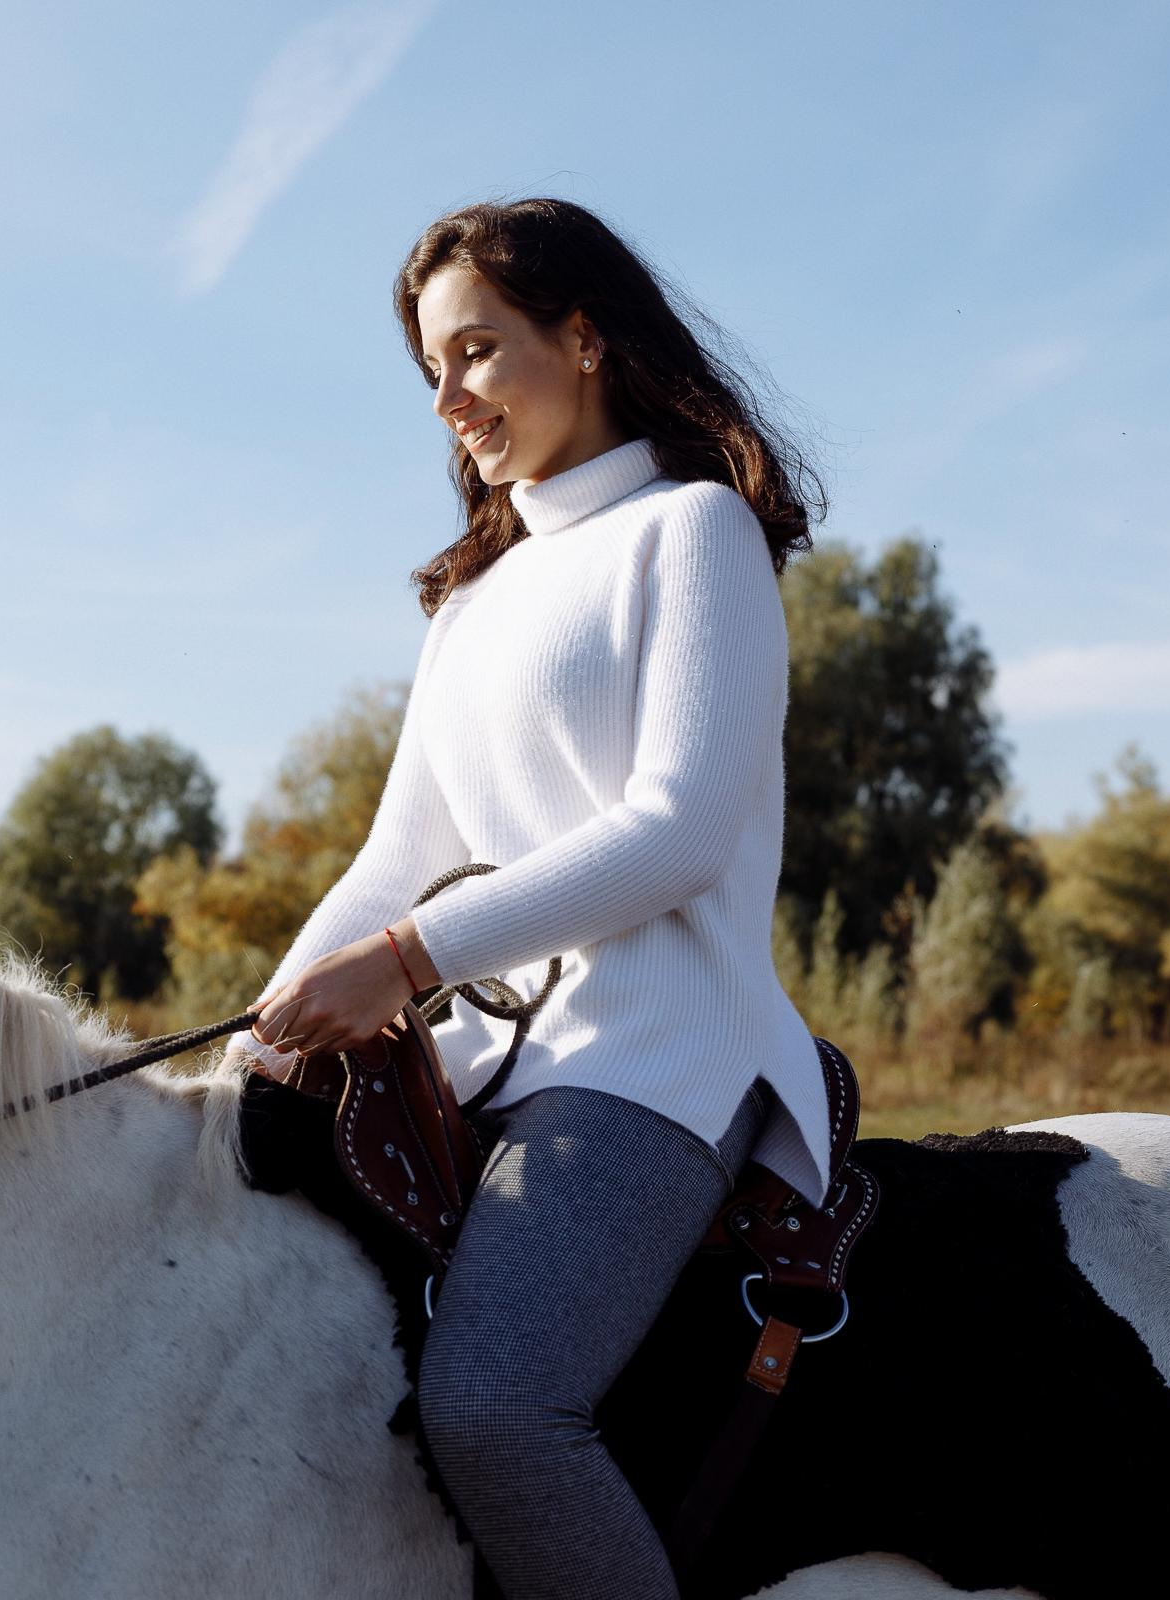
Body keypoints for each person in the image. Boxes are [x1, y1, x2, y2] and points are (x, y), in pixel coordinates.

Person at [224, 195, 833, 1600]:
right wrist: (261, 1044)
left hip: (656, 1054)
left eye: (479, 353)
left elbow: (677, 831)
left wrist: (408, 958)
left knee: (496, 1405)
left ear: (584, 335)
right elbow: (399, 855)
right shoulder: (472, 603)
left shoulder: (693, 535)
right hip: (489, 1057)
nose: (450, 402)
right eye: (432, 372)